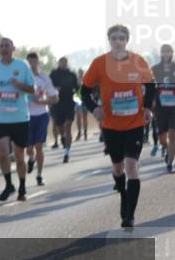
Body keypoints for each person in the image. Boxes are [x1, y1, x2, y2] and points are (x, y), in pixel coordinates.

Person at [81, 25, 156, 229]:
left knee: (132, 167)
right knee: (117, 168)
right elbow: (84, 90)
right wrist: (94, 108)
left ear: (127, 40)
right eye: (114, 37)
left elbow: (150, 86)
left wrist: (148, 108)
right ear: (109, 40)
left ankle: (129, 215)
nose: (118, 41)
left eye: (122, 38)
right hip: (111, 125)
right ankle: (123, 193)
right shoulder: (99, 63)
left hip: (135, 124)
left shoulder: (139, 61)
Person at [0, 38, 36, 202]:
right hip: (0, 117)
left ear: (13, 48)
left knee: (20, 157)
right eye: (1, 46)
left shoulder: (22, 66)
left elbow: (32, 89)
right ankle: (8, 185)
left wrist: (20, 85)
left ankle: (22, 186)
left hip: (20, 118)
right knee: (1, 152)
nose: (4, 48)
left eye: (7, 46)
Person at [25, 52, 59, 186]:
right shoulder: (23, 78)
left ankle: (39, 175)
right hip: (26, 116)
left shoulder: (44, 78)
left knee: (39, 145)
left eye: (35, 62)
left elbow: (55, 98)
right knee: (28, 147)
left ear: (38, 63)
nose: (32, 65)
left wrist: (42, 101)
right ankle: (31, 158)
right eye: (30, 62)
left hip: (41, 115)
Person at [49, 56, 80, 163]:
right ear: (59, 63)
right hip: (57, 104)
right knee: (60, 127)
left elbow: (77, 88)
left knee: (68, 127)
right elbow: (47, 86)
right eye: (61, 62)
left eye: (65, 62)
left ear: (67, 63)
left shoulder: (72, 75)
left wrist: (78, 98)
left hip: (69, 103)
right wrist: (53, 89)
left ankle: (67, 152)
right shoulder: (53, 74)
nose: (63, 64)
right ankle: (62, 137)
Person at [151, 43, 175, 173]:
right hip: (160, 107)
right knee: (162, 138)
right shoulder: (154, 69)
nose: (166, 54)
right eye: (163, 52)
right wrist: (152, 100)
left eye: (168, 51)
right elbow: (150, 87)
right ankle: (165, 150)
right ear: (161, 54)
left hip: (174, 108)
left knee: (173, 134)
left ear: (172, 53)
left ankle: (171, 163)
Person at [75, 67, 90, 141]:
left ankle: (85, 132)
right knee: (78, 117)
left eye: (81, 72)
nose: (80, 73)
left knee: (84, 117)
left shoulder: (86, 79)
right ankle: (79, 132)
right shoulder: (76, 79)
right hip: (78, 98)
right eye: (79, 72)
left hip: (85, 99)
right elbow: (74, 89)